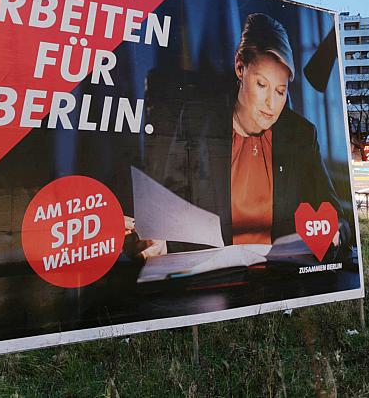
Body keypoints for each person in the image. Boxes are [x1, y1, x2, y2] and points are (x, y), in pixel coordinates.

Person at [127, 13, 351, 259]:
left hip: (279, 275)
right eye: (262, 85)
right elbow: (171, 215)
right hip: (214, 279)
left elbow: (337, 218)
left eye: (280, 91)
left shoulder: (301, 135)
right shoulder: (198, 124)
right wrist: (162, 242)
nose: (271, 103)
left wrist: (334, 233)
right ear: (240, 68)